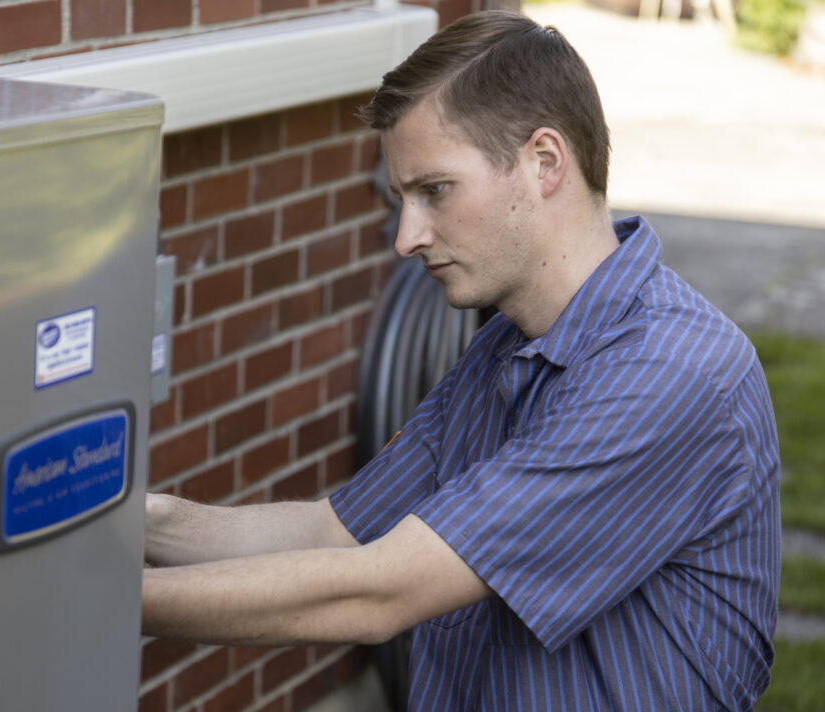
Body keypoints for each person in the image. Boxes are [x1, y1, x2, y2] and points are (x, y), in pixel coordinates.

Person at [142, 10, 780, 711]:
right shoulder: (505, 348)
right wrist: (129, 524)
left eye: (434, 191)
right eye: (402, 200)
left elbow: (381, 588)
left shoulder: (672, 375)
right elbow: (337, 531)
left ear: (543, 163)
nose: (407, 238)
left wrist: (92, 600)